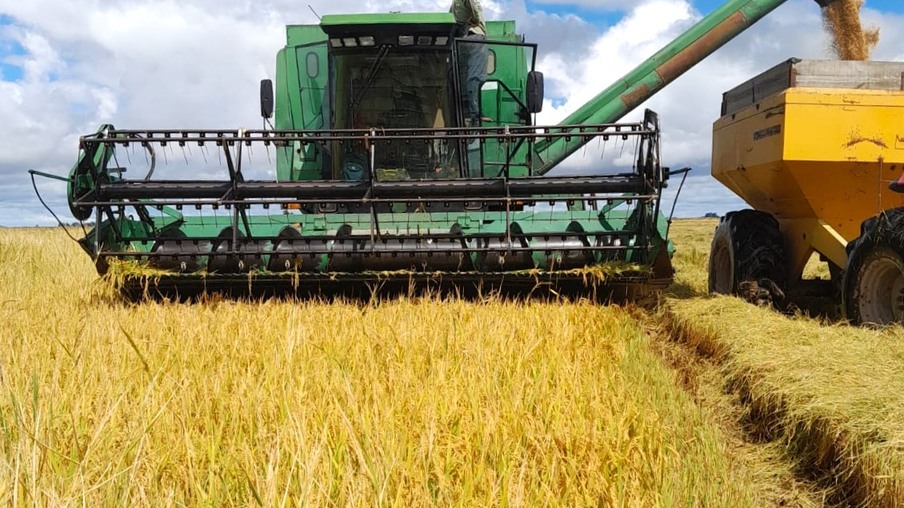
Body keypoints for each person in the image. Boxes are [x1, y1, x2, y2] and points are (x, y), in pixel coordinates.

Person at [450, 0, 488, 127]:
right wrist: (477, 20)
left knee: (461, 76)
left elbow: (451, 18)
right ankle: (475, 114)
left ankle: (463, 112)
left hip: (460, 40)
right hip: (475, 36)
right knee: (476, 76)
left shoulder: (454, 4)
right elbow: (474, 7)